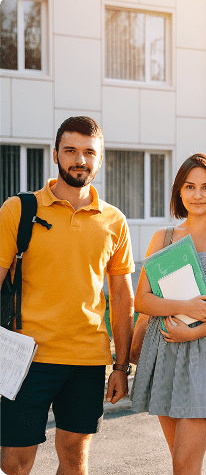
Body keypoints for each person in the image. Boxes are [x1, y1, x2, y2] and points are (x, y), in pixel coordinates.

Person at [0, 116, 135, 475]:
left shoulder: (114, 221)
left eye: (89, 152)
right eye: (71, 150)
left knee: (75, 457)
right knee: (14, 463)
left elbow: (123, 300)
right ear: (56, 154)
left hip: (87, 360)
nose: (80, 159)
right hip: (26, 358)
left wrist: (121, 366)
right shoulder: (19, 210)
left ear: (100, 158)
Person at [131, 153, 206, 475]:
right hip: (167, 350)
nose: (197, 195)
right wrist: (184, 308)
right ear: (179, 191)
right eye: (189, 186)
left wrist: (195, 331)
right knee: (182, 464)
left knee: (185, 463)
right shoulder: (164, 238)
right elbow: (141, 300)